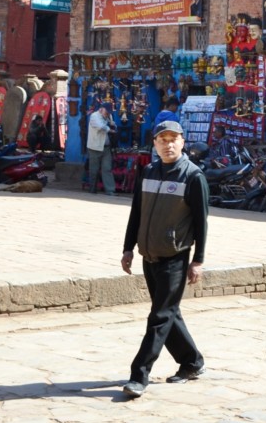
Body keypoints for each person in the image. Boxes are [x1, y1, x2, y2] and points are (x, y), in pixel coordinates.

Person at [119, 120, 208, 398]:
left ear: (183, 142)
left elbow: (201, 222)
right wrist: (128, 247)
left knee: (159, 317)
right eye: (162, 140)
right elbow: (137, 212)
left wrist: (198, 260)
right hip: (149, 254)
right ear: (155, 144)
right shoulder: (147, 171)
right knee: (169, 313)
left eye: (173, 139)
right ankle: (192, 363)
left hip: (175, 257)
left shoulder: (193, 176)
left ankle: (139, 375)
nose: (168, 145)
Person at [87, 100, 118, 195]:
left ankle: (110, 190)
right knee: (94, 170)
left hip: (106, 148)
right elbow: (101, 126)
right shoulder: (94, 116)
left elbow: (113, 125)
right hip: (95, 148)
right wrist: (110, 129)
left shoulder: (107, 117)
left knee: (107, 168)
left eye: (109, 112)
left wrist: (113, 124)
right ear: (101, 109)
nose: (108, 113)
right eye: (106, 111)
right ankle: (92, 189)